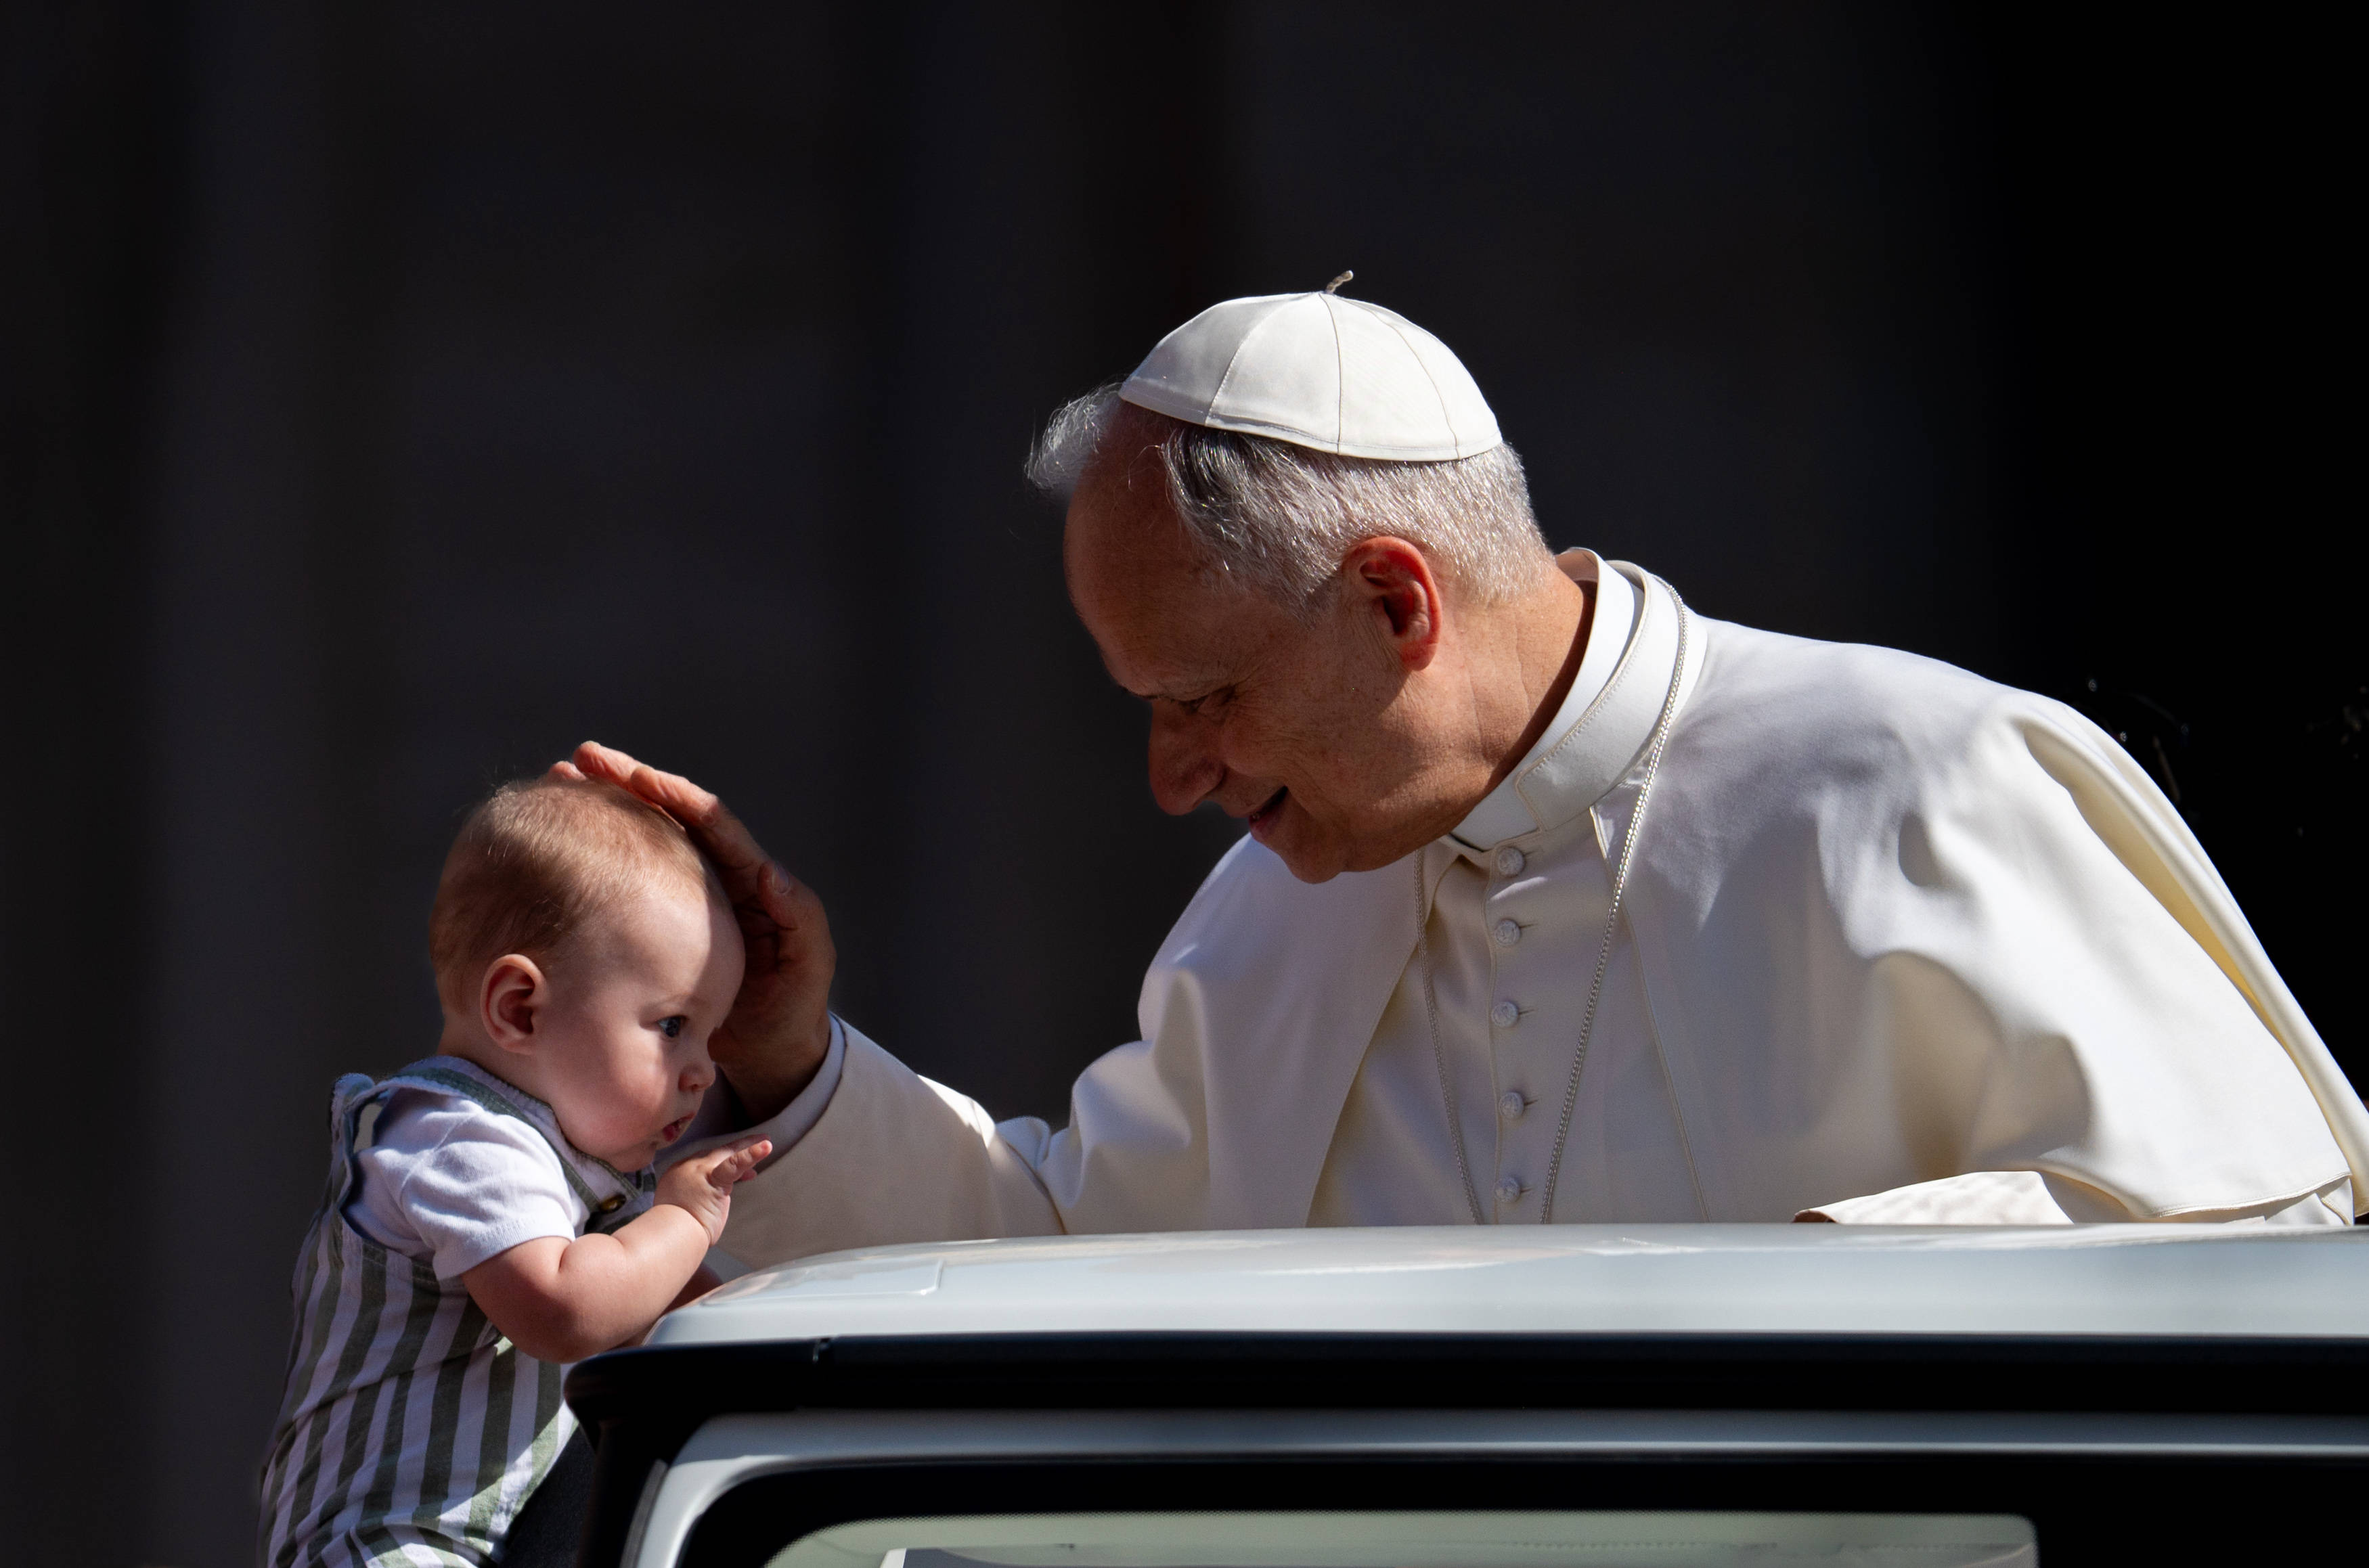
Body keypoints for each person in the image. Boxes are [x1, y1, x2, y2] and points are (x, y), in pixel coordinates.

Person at [571, 283, 2366, 1266]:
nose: (1172, 779)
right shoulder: (1271, 916)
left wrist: (1803, 1298)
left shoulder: (1907, 779)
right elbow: (1062, 1266)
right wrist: (788, 1054)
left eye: (1201, 696)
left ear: (1390, 597)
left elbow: (2248, 1240)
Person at [257, 777, 772, 1568]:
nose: (701, 1072)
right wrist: (684, 1221)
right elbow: (566, 1311)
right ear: (520, 1010)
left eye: (707, 1038)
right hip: (388, 1543)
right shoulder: (457, 1136)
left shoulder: (562, 1166)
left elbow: (659, 1314)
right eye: (672, 1026)